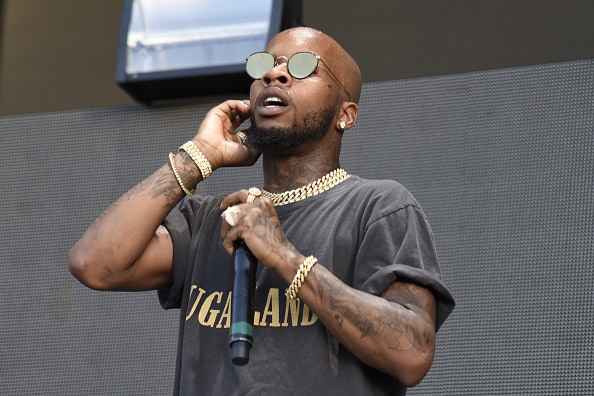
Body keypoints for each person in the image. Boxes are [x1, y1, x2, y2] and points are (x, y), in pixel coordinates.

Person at [68, 26, 455, 395]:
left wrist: (286, 257)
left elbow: (413, 353)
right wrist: (199, 157)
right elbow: (94, 263)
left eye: (302, 66)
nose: (275, 74)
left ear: (345, 114)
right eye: (265, 65)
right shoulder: (212, 219)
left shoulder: (379, 207)